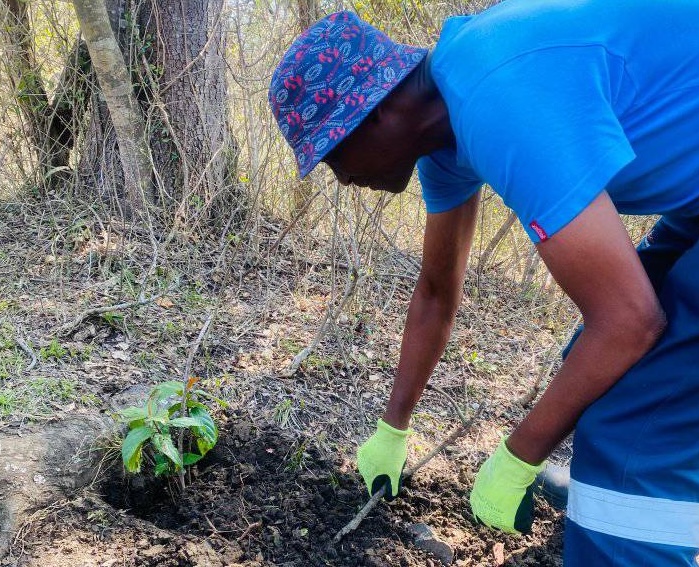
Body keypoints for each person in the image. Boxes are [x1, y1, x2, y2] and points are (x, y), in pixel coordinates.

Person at [267, 2, 699, 565]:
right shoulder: (447, 129)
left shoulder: (500, 97)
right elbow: (435, 292)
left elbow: (629, 321)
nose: (343, 179)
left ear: (374, 114)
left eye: (332, 156)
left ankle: (628, 510)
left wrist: (517, 456)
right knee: (606, 373)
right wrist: (393, 427)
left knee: (634, 427)